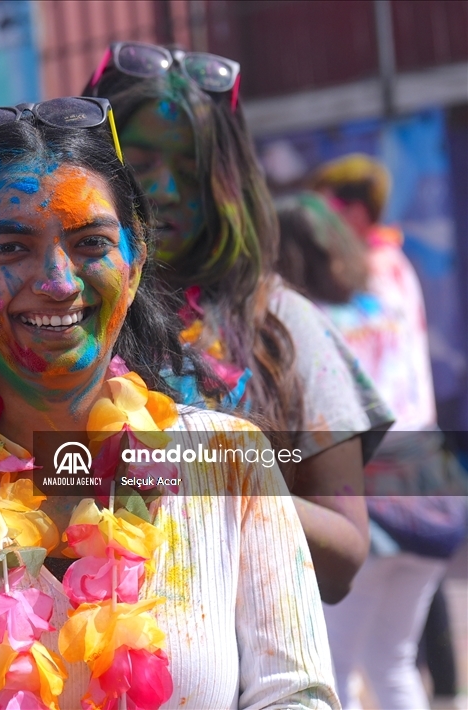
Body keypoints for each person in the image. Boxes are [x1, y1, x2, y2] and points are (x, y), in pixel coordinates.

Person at [0, 97, 338, 707]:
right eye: (10, 248)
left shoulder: (228, 461)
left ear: (134, 266)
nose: (59, 282)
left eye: (90, 243)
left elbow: (296, 694)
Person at [88, 42, 392, 603]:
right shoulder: (55, 308)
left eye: (191, 169)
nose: (164, 190)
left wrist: (222, 473)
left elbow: (345, 556)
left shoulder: (280, 324)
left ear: (225, 186)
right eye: (141, 162)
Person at [280, 173, 467, 708]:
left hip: (365, 494)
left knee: (334, 663)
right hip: (432, 481)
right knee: (393, 660)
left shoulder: (302, 322)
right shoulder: (395, 277)